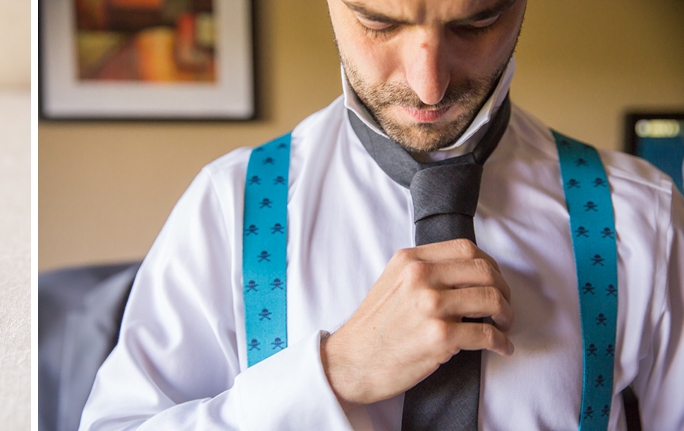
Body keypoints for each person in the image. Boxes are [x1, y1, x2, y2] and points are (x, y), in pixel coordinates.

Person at [78, 0, 684, 429]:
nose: (428, 85)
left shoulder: (642, 216)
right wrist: (333, 375)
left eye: (476, 23)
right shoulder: (228, 204)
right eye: (379, 21)